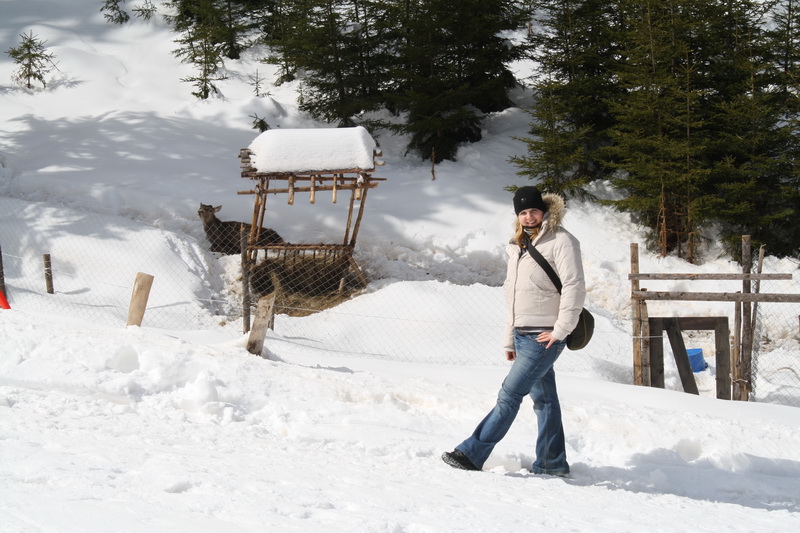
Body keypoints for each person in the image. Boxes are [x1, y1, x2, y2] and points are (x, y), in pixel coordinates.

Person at [442, 186, 586, 476]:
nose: (528, 216)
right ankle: (552, 463)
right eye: (523, 212)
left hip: (545, 336)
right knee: (545, 400)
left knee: (509, 395)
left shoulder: (562, 240)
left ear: (544, 211)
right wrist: (509, 338)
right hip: (523, 334)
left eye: (533, 210)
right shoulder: (517, 245)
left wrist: (560, 330)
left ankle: (472, 454)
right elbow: (512, 294)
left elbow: (574, 286)